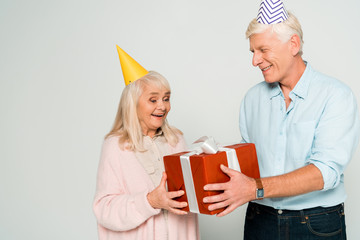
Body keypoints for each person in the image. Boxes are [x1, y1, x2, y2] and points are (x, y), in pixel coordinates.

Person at [203, 1, 360, 239]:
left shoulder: (336, 95)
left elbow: (324, 172)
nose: (255, 61)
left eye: (263, 50)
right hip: (260, 219)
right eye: (253, 52)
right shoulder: (252, 98)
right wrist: (207, 160)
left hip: (316, 224)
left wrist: (255, 187)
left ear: (293, 44)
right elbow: (249, 160)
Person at [93, 46, 199, 240]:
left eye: (166, 99)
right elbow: (104, 209)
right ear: (133, 103)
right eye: (153, 100)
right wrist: (150, 201)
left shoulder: (176, 140)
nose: (162, 106)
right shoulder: (116, 146)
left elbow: (189, 196)